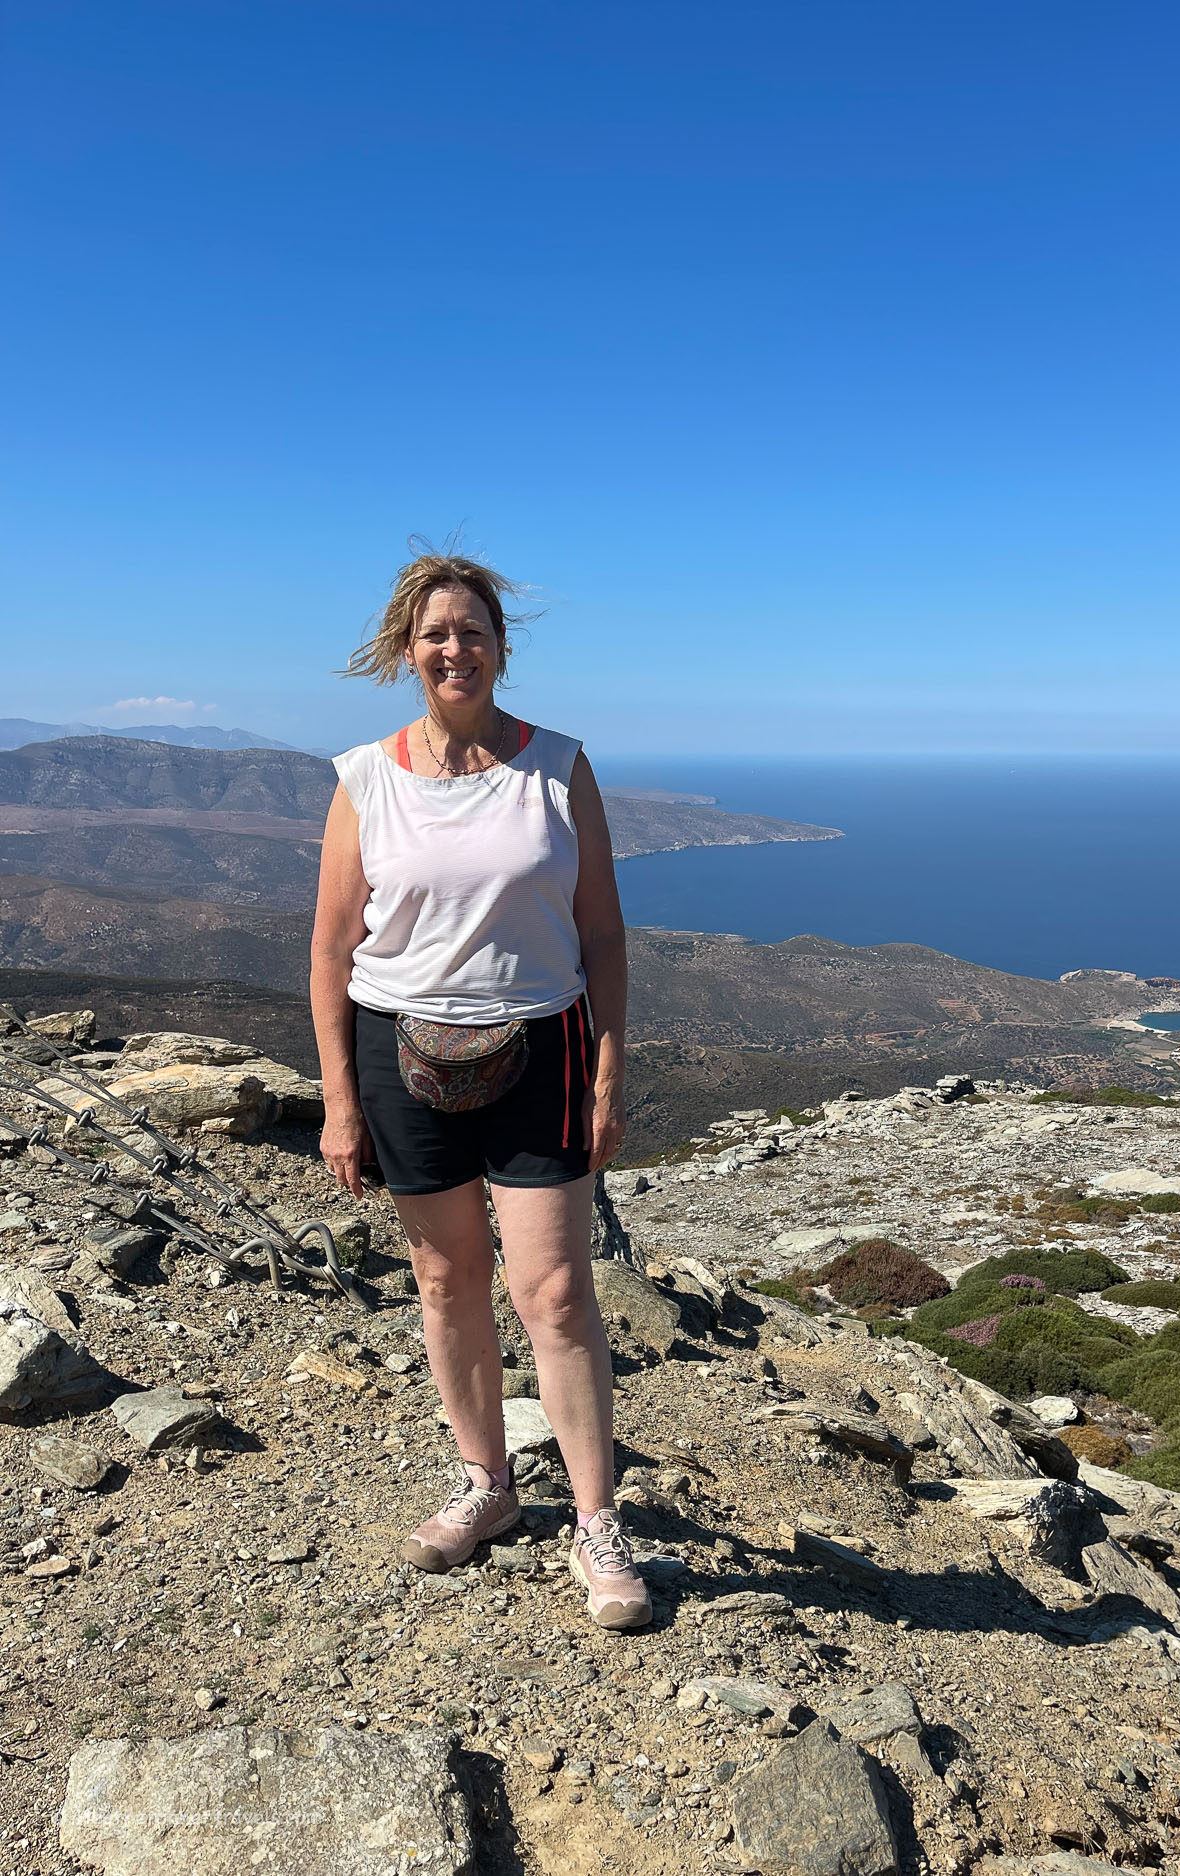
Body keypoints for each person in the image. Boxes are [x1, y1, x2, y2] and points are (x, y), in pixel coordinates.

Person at [309, 551, 650, 1631]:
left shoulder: (558, 767)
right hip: (397, 1050)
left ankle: (596, 1520)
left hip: (543, 1047)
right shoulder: (365, 778)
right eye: (434, 633)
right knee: (445, 1278)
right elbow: (330, 949)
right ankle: (486, 1483)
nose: (454, 648)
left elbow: (601, 932)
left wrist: (608, 1067)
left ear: (501, 647)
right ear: (405, 651)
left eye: (472, 631)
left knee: (554, 1291)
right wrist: (339, 1102)